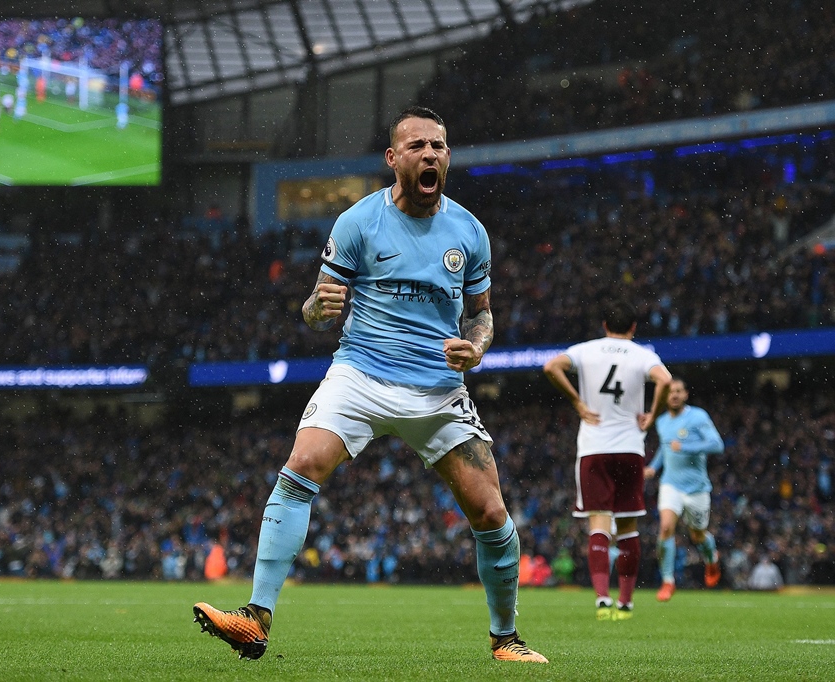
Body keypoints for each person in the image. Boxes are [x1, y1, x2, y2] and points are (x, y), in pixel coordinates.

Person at [193, 106, 547, 664]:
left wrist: (475, 346)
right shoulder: (357, 222)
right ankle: (255, 618)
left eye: (439, 146)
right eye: (417, 146)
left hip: (436, 389)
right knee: (301, 465)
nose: (430, 155)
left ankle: (506, 639)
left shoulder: (470, 232)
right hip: (360, 373)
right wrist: (317, 307)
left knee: (491, 514)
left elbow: (481, 314)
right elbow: (316, 310)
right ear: (393, 158)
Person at [543, 300, 671, 621]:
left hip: (594, 447)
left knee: (598, 520)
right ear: (633, 327)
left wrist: (577, 403)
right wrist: (652, 415)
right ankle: (626, 603)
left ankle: (602, 598)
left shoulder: (585, 350)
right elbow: (665, 380)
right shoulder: (644, 355)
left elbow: (550, 367)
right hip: (630, 447)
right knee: (628, 525)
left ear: (604, 326)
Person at [644, 378, 724, 601]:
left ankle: (711, 560)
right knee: (666, 527)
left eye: (679, 391)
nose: (675, 395)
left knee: (698, 534)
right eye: (671, 392)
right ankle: (668, 581)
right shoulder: (661, 422)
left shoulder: (698, 416)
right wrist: (653, 467)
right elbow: (665, 447)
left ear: (686, 394)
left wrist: (686, 446)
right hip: (670, 484)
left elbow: (717, 444)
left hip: (697, 488)